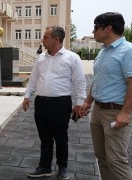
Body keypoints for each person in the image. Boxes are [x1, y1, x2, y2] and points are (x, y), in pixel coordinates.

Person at [23, 26, 86, 179]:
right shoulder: (41, 58)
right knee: (44, 137)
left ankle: (62, 166)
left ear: (56, 39)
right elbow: (33, 79)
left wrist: (79, 102)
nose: (42, 40)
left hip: (60, 103)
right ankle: (44, 167)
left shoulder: (72, 57)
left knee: (60, 137)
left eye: (45, 37)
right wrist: (27, 96)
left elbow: (80, 82)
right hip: (41, 103)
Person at [79, 12, 132, 180]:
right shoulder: (103, 52)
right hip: (98, 111)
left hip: (115, 112)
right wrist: (88, 101)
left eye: (96, 28)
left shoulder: (128, 51)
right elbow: (98, 79)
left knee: (116, 161)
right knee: (101, 158)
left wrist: (125, 112)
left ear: (108, 28)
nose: (94, 32)